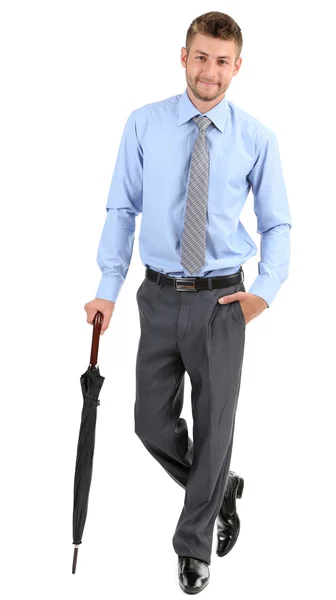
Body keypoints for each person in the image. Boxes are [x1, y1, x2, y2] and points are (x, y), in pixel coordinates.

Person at [84, 10, 292, 595]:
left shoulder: (257, 138)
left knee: (215, 425)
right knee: (149, 424)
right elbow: (122, 210)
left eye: (222, 61)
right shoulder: (144, 124)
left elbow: (279, 225)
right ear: (183, 57)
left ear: (238, 67)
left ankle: (193, 544)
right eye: (201, 56)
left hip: (223, 299)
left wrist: (263, 294)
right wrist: (108, 288)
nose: (210, 71)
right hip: (157, 295)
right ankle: (219, 487)